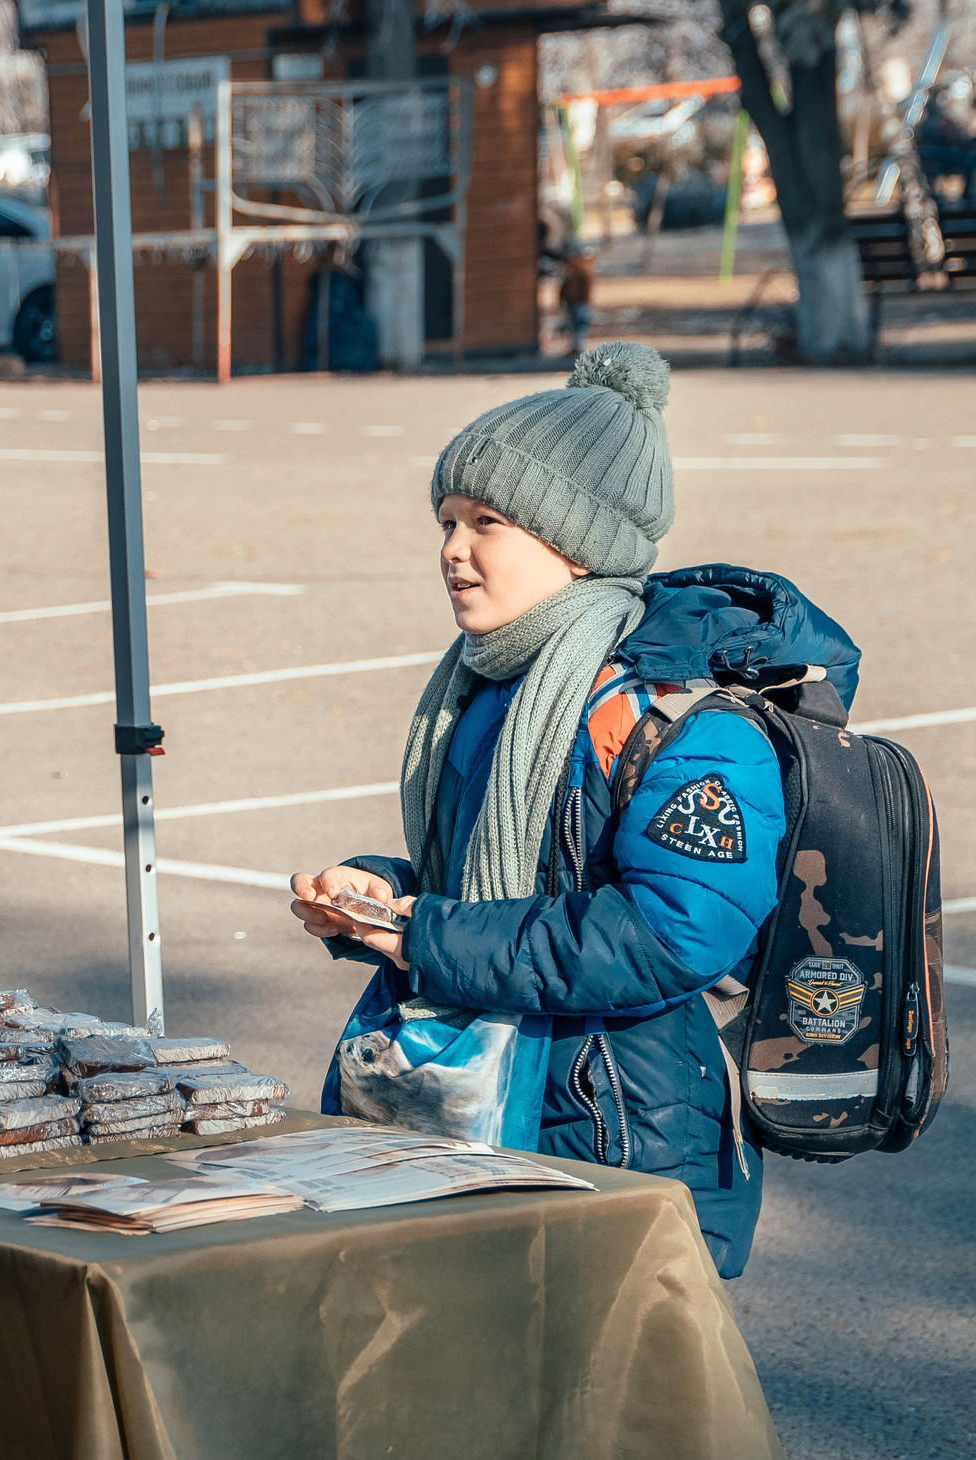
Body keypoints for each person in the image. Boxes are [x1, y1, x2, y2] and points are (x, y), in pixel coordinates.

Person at [289, 343, 860, 1281]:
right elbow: (495, 882)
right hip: (479, 1112)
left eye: (488, 522)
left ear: (578, 543)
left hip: (614, 1139)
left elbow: (671, 935)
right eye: (446, 520)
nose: (453, 549)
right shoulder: (490, 688)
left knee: (602, 1376)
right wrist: (384, 897)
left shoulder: (677, 718)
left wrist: (427, 934)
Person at [558, 242, 596, 357]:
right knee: (575, 325)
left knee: (578, 324)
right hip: (574, 301)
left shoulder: (580, 269)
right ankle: (575, 345)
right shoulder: (574, 269)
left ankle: (577, 346)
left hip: (579, 302)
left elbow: (584, 288)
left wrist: (583, 300)